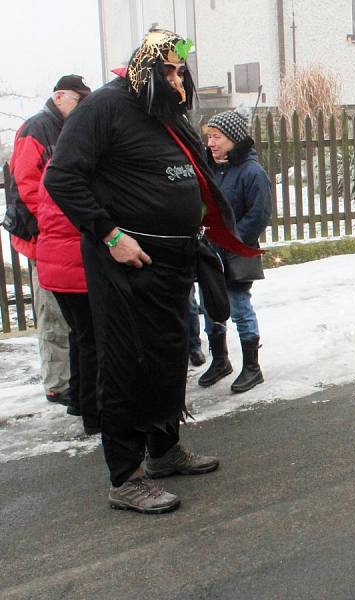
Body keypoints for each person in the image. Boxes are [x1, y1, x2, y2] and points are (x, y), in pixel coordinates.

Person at [44, 29, 260, 514]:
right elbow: (61, 176)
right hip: (125, 264)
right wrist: (110, 235)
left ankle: (163, 452)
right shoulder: (103, 108)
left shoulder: (165, 113)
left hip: (172, 263)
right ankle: (126, 476)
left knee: (168, 357)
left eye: (180, 70)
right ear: (143, 68)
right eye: (167, 70)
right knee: (127, 366)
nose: (177, 79)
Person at [4, 75, 91, 407]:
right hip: (47, 239)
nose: (81, 105)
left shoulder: (65, 129)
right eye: (77, 99)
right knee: (53, 312)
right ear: (59, 97)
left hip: (61, 237)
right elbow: (27, 187)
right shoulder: (37, 130)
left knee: (69, 317)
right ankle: (57, 383)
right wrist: (52, 231)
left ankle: (69, 380)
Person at [199, 109, 271, 393]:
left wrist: (231, 240)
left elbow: (259, 213)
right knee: (209, 307)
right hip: (208, 253)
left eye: (217, 137)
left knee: (239, 307)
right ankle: (220, 361)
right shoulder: (208, 169)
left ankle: (252, 367)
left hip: (236, 253)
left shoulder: (252, 173)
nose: (211, 143)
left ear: (233, 139)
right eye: (209, 137)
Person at [36, 172, 100, 435]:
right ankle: (94, 415)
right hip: (76, 265)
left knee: (80, 336)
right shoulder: (77, 171)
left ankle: (77, 400)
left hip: (54, 264)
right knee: (92, 341)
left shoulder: (55, 166)